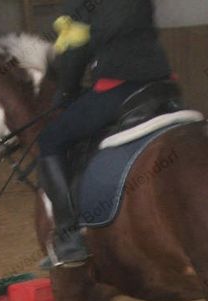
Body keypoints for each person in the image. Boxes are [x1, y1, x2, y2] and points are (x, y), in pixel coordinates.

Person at [38, 0, 173, 267]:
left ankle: (69, 237)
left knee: (50, 140)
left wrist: (65, 92)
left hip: (118, 87)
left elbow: (75, 50)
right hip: (163, 84)